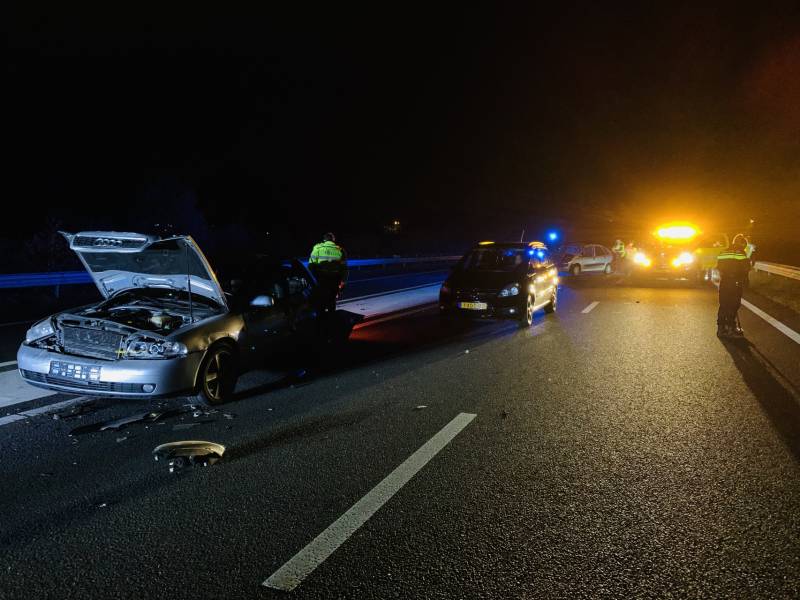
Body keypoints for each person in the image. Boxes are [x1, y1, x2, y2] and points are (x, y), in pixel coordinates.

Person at [716, 234, 750, 338]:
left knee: (724, 304)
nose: (744, 246)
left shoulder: (723, 252)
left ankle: (721, 328)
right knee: (734, 305)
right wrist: (745, 281)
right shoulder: (740, 253)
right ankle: (731, 328)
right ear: (741, 243)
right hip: (735, 282)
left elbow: (719, 267)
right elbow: (745, 269)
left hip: (724, 282)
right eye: (744, 244)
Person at [308, 232, 348, 314]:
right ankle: (331, 320)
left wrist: (314, 279)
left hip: (321, 279)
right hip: (334, 280)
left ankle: (320, 321)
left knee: (320, 302)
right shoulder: (340, 250)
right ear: (333, 240)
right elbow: (344, 269)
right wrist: (343, 282)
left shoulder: (317, 248)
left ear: (324, 240)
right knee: (332, 301)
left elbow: (311, 266)